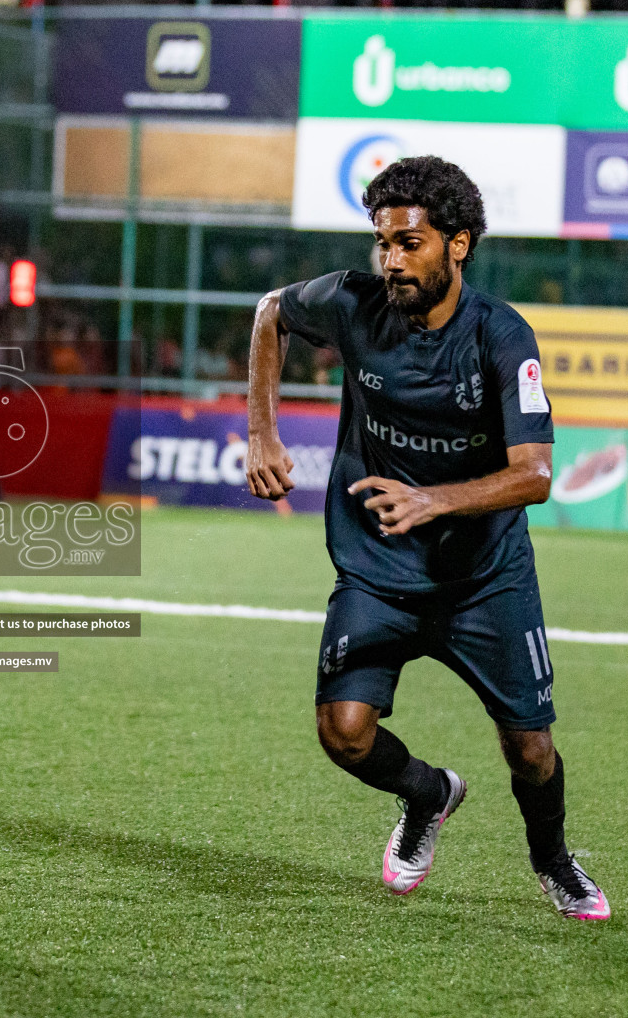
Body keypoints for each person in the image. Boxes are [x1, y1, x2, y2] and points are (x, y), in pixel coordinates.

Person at [243, 156, 609, 921]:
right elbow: (271, 311)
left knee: (532, 751)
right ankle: (429, 795)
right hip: (377, 569)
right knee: (343, 734)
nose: (392, 260)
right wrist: (262, 433)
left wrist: (432, 500)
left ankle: (554, 862)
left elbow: (535, 475)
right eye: (384, 242)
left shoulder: (503, 337)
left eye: (410, 243)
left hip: (485, 579)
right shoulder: (353, 303)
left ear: (459, 244)